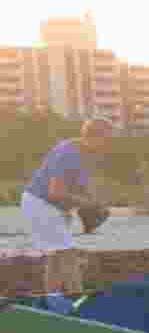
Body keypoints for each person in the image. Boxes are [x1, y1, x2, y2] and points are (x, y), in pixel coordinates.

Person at [21, 118, 114, 294]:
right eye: (107, 140)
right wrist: (85, 203)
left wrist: (92, 203)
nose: (108, 145)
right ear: (97, 137)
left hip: (50, 207)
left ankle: (53, 299)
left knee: (56, 256)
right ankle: (77, 299)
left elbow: (77, 188)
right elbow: (54, 192)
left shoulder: (83, 153)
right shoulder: (69, 152)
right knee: (68, 254)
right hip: (40, 204)